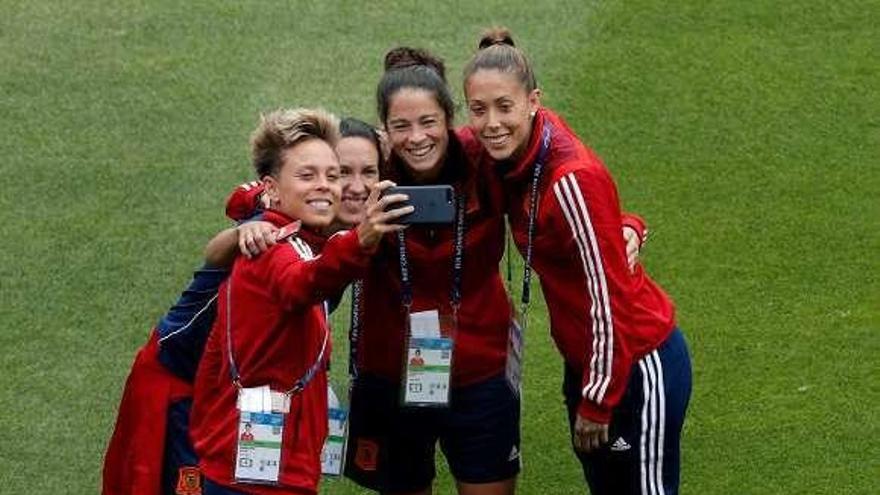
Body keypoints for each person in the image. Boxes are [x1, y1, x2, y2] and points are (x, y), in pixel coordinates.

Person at [462, 28, 693, 495]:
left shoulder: (569, 177)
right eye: (479, 109)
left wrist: (599, 399)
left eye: (504, 107)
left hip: (634, 362)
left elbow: (610, 296)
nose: (491, 124)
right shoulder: (516, 150)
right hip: (588, 359)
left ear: (533, 101)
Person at [187, 107, 409, 495]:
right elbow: (302, 283)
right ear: (271, 188)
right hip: (255, 479)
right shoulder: (271, 248)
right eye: (307, 175)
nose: (326, 186)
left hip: (260, 460)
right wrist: (363, 240)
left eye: (331, 175)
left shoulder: (297, 240)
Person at [343, 47, 520, 495]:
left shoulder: (485, 161)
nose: (416, 137)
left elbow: (552, 167)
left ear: (449, 119)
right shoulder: (368, 173)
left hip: (481, 368)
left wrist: (626, 226)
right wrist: (252, 215)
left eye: (428, 122)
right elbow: (295, 185)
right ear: (384, 130)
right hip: (390, 371)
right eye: (401, 126)